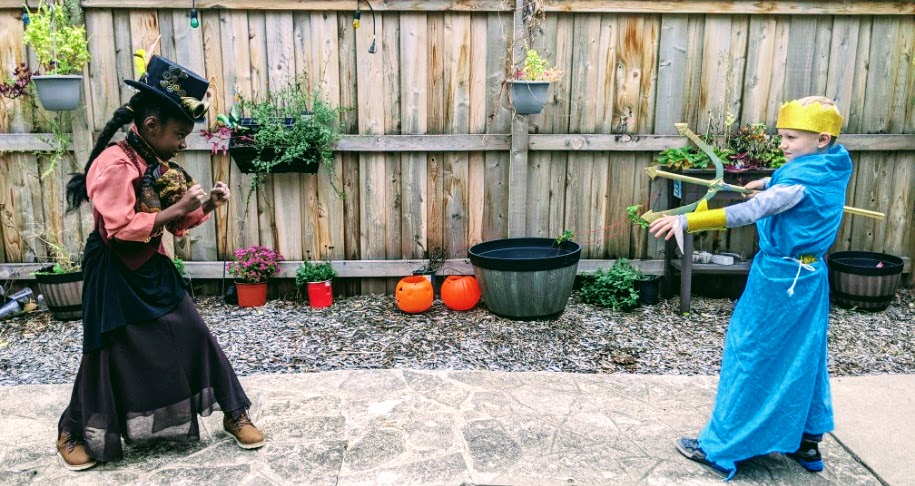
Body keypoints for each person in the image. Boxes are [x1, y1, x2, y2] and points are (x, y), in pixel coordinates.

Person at [58, 55, 264, 471]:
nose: (184, 143)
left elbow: (176, 222)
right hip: (113, 271)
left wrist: (206, 204)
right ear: (151, 126)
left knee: (193, 331)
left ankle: (234, 412)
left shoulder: (158, 165)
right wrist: (177, 209)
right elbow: (119, 229)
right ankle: (71, 432)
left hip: (151, 266)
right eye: (179, 134)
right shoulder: (113, 165)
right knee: (106, 351)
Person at [649, 96, 852, 480]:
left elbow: (753, 211)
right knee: (804, 356)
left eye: (792, 137)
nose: (783, 145)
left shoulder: (796, 184)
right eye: (782, 136)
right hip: (810, 279)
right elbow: (791, 179)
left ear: (822, 139)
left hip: (781, 284)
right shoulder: (835, 164)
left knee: (752, 356)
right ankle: (808, 442)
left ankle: (723, 445)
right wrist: (767, 179)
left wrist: (689, 221)